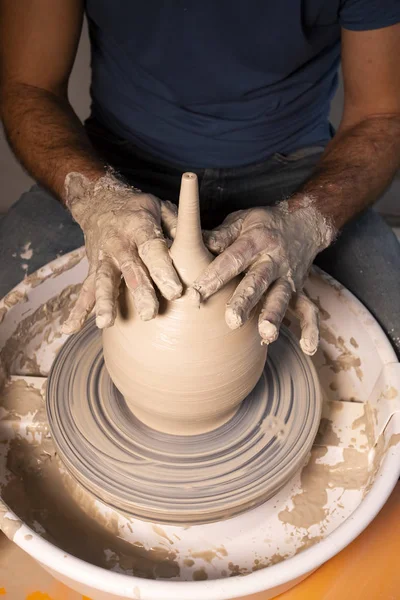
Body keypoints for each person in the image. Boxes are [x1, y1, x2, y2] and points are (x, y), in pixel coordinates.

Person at [1, 1, 399, 357]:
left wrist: (307, 222)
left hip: (296, 171)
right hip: (115, 166)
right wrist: (97, 200)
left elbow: (382, 115)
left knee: (391, 339)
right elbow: (28, 86)